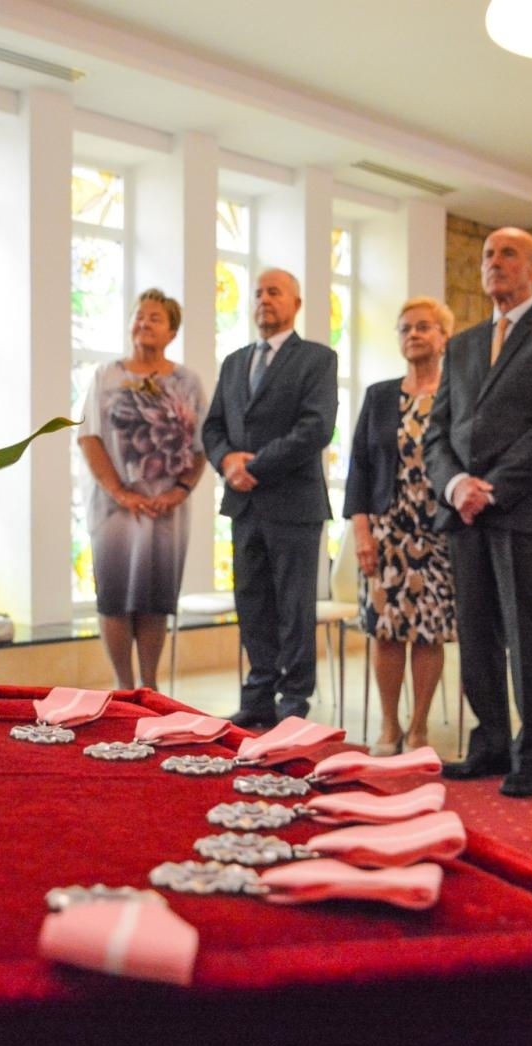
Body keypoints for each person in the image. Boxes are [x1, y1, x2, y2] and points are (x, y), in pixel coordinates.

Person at [424, 228, 532, 798]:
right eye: (488, 255)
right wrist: (455, 487)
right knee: (475, 635)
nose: (495, 263)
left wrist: (490, 489)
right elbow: (438, 430)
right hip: (464, 513)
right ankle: (489, 741)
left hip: (521, 509)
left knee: (527, 635)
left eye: (508, 254)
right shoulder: (465, 344)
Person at [202, 268, 338, 728]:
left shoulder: (317, 359)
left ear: (296, 304)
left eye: (274, 292)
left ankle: (293, 700)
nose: (264, 299)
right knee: (252, 601)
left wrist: (252, 466)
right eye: (258, 293)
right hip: (243, 505)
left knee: (293, 605)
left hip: (294, 504)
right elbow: (213, 427)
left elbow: (315, 428)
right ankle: (258, 695)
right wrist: (225, 462)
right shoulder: (235, 362)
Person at [344, 296, 457, 755]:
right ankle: (389, 726)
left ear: (443, 337)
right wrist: (362, 533)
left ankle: (420, 726)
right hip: (387, 532)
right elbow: (360, 469)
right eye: (406, 327)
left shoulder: (457, 392)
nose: (414, 334)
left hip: (439, 533)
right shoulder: (379, 395)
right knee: (386, 630)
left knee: (428, 632)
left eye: (424, 327)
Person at [78, 288, 207, 690]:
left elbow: (204, 443)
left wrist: (181, 490)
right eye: (138, 316)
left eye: (154, 318)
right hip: (116, 507)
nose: (144, 323)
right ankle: (123, 685)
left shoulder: (188, 381)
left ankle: (149, 688)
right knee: (115, 597)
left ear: (171, 331)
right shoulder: (107, 376)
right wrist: (120, 491)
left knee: (155, 599)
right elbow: (88, 436)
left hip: (167, 507)